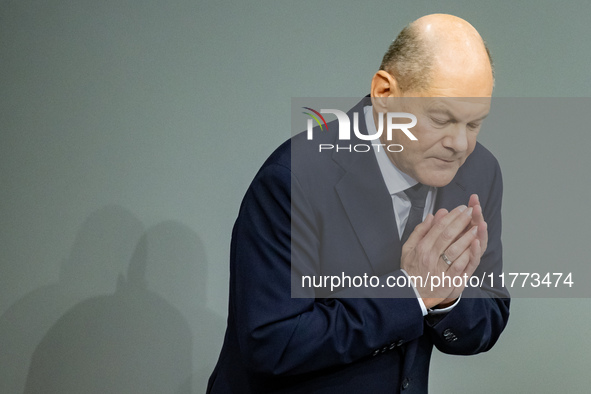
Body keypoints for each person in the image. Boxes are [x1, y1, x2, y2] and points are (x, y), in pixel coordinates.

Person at [208, 14, 510, 394]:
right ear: (385, 93)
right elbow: (273, 342)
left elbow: (488, 316)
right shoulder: (294, 178)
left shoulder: (480, 173)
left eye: (474, 124)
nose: (460, 144)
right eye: (441, 118)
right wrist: (411, 293)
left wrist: (446, 298)